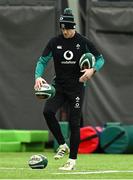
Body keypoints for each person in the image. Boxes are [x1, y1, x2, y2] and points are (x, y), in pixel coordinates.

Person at [34, 8, 105, 170]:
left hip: (77, 88)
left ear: (73, 27)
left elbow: (100, 59)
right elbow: (42, 61)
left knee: (74, 123)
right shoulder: (54, 42)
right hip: (59, 86)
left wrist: (91, 70)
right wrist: (38, 76)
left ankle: (72, 161)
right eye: (62, 28)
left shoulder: (83, 42)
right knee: (48, 112)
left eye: (67, 28)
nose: (65, 31)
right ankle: (62, 144)